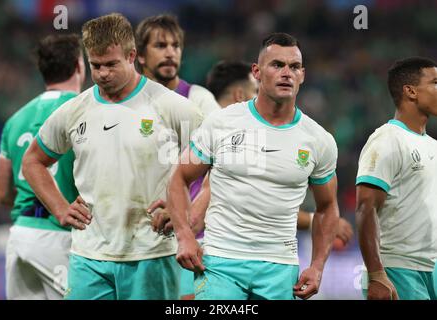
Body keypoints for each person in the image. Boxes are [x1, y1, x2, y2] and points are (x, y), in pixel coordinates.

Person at [22, 13, 203, 300]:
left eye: (111, 64)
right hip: (88, 256)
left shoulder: (171, 107)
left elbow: (221, 162)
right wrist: (59, 208)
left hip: (151, 252)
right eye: (96, 65)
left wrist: (188, 211)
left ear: (132, 56)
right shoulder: (75, 110)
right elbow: (33, 161)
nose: (103, 73)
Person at [167, 33, 340, 300]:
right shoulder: (222, 122)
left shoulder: (319, 140)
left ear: (303, 75)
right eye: (277, 65)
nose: (286, 73)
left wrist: (317, 266)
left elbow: (327, 207)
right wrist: (184, 236)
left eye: (294, 67)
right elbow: (179, 177)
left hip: (279, 267)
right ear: (257, 72)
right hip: (221, 262)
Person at [206, 60, 353, 242]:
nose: (258, 98)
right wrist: (316, 220)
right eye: (254, 91)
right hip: (213, 248)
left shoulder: (197, 123)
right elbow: (259, 203)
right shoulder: (234, 135)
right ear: (239, 95)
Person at [135, 14, 220, 300]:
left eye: (176, 45)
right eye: (160, 45)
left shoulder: (199, 100)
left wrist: (191, 216)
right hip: (135, 241)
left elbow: (223, 165)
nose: (171, 52)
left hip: (189, 237)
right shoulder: (126, 105)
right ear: (140, 56)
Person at [0, 34, 85, 299]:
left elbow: (2, 194)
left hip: (21, 234)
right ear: (79, 65)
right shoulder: (81, 112)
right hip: (61, 236)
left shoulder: (15, 119)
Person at [356, 57, 437, 300]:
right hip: (397, 268)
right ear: (411, 91)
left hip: (430, 268)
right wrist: (377, 274)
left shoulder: (432, 145)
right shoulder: (387, 140)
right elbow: (365, 207)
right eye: (435, 82)